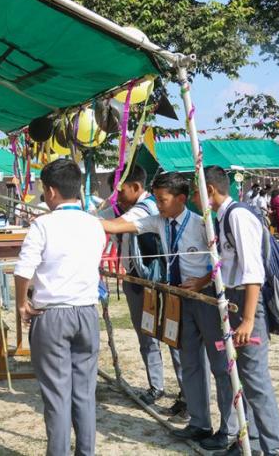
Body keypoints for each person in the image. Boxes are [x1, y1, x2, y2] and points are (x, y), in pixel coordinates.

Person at [102, 172, 240, 452]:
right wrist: (79, 219)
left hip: (206, 299)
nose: (158, 205)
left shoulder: (202, 224)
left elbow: (224, 261)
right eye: (156, 199)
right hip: (178, 299)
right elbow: (119, 225)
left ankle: (229, 429)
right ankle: (199, 422)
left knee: (219, 366)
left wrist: (202, 281)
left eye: (162, 200)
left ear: (181, 199)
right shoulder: (158, 221)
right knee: (189, 361)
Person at [14, 159, 106, 456]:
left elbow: (22, 271)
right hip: (86, 312)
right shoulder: (95, 224)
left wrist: (21, 303)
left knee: (57, 395)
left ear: (51, 191)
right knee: (85, 392)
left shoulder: (43, 224)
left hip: (53, 315)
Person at [199, 166, 279, 456]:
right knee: (241, 377)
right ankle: (250, 442)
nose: (195, 198)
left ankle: (274, 449)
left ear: (209, 190)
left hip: (248, 303)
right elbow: (228, 262)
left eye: (197, 191)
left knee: (255, 380)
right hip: (233, 300)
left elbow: (253, 272)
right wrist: (202, 281)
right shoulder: (222, 217)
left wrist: (248, 319)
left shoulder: (238, 215)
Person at [100, 166, 186, 420]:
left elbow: (114, 225)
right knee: (146, 334)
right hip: (137, 282)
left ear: (136, 187)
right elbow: (102, 218)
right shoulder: (124, 208)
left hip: (164, 283)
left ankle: (186, 394)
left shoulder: (146, 208)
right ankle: (156, 385)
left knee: (173, 338)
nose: (116, 197)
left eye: (119, 191)